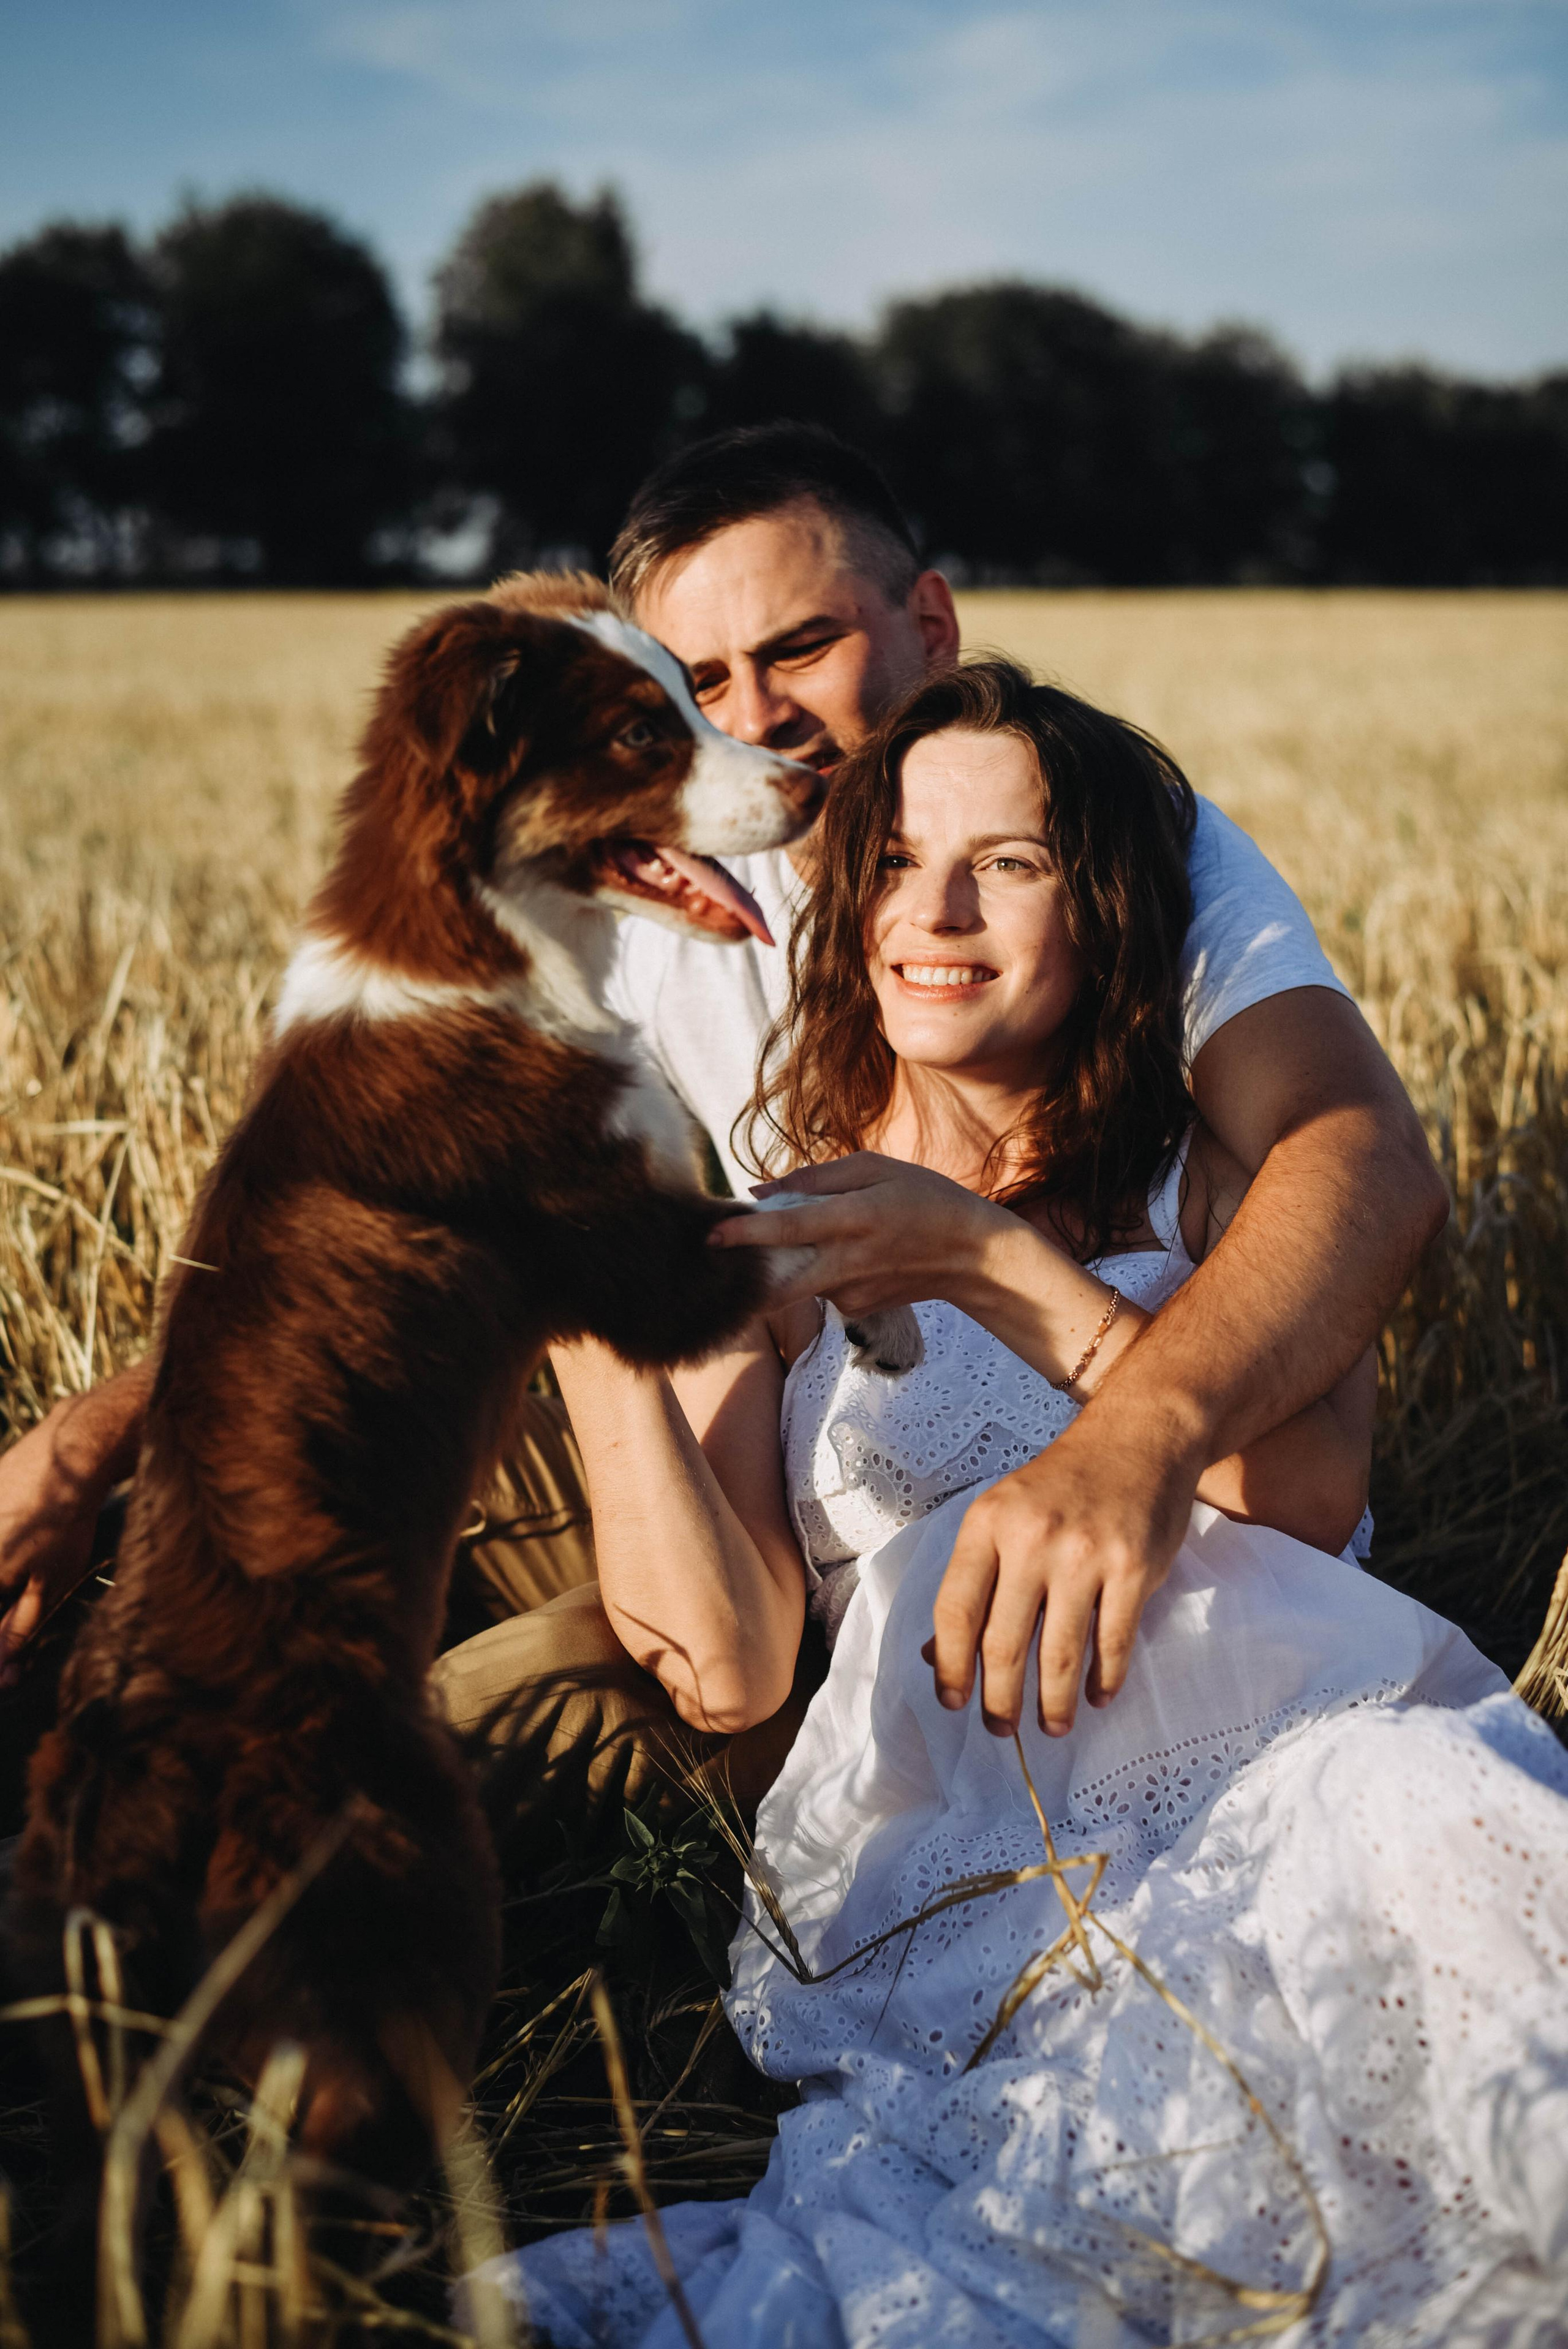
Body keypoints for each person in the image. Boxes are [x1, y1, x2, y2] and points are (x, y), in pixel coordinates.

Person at [0, 425, 1444, 1797]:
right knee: (214, 1511)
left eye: (800, 647)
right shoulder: (642, 861)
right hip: (728, 1396)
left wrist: (1130, 1439)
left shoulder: (1109, 835)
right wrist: (95, 1436)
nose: (752, 719)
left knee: (488, 1716)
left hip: (864, 1519)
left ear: (930, 625)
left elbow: (1357, 1153)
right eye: (697, 681)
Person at [472, 660, 1568, 2347]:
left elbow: (1300, 1501)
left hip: (1299, 1762)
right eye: (895, 862)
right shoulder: (786, 1238)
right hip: (982, 1859)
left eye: (1009, 863)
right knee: (1108, 2179)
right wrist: (585, 1310)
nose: (936, 912)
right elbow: (729, 1661)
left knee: (1460, 1943)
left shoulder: (1205, 1187)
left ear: (1106, 910)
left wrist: (995, 1266)